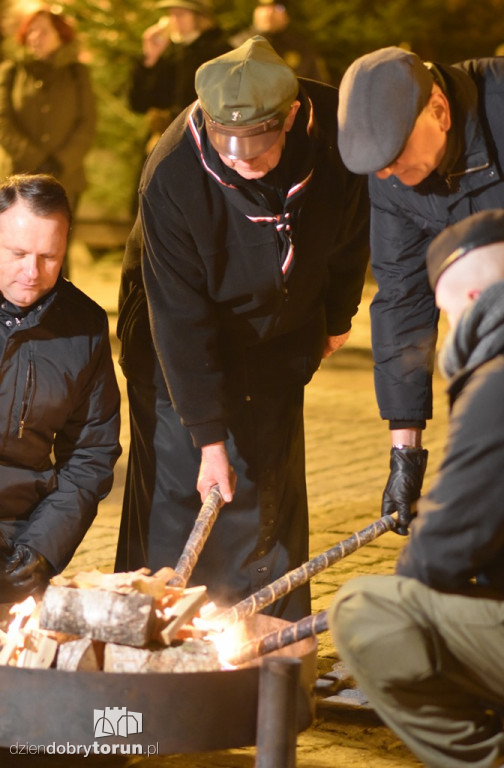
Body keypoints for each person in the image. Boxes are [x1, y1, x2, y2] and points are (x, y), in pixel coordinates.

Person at [115, 36, 369, 620]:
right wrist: (207, 437)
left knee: (267, 473)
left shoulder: (336, 131)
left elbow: (352, 231)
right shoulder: (173, 173)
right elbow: (179, 316)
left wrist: (336, 315)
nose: (239, 160)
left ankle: (266, 636)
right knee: (192, 479)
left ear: (292, 117)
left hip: (281, 325)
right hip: (172, 331)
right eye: (227, 147)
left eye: (256, 148)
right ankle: (159, 634)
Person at [329, 208, 504, 768]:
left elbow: (436, 559)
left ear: (474, 300)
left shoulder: (496, 386)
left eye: (450, 316)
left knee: (367, 611)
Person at [336, 46, 504, 535]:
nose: (386, 176)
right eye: (376, 168)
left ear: (439, 110)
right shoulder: (389, 177)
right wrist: (405, 451)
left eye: (393, 159)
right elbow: (403, 299)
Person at [0, 173, 121, 604]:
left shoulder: (83, 326)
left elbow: (90, 454)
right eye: (17, 254)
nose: (32, 273)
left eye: (48, 256)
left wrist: (41, 552)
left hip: (22, 534)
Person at [0, 6, 96, 230]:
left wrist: (60, 162)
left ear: (60, 35)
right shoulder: (11, 72)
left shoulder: (77, 73)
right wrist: (36, 160)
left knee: (57, 248)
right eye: (30, 31)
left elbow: (87, 123)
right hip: (17, 176)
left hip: (66, 178)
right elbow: (3, 122)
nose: (35, 37)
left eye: (43, 31)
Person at [128, 0, 231, 159]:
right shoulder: (170, 53)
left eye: (181, 14)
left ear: (200, 17)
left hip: (201, 149)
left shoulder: (220, 53)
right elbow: (139, 103)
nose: (174, 20)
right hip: (165, 147)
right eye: (171, 14)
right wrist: (150, 59)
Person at [231, 0, 330, 83]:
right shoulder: (237, 45)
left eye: (277, 8)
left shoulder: (300, 47)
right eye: (263, 7)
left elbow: (317, 84)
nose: (268, 13)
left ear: (287, 15)